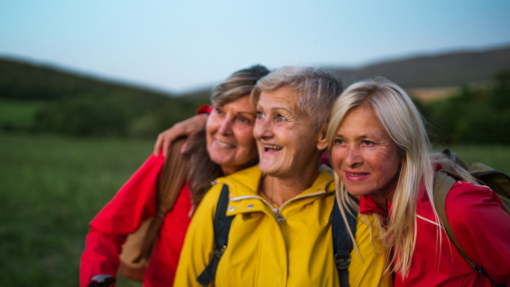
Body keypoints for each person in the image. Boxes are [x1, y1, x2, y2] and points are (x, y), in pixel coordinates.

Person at [174, 67, 392, 287]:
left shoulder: (357, 216)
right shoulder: (222, 198)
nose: (260, 131)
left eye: (280, 117)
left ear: (324, 135)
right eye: (260, 115)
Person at [80, 65, 270, 287]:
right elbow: (106, 232)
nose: (223, 128)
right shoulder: (179, 154)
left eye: (243, 119)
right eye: (219, 111)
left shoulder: (284, 184)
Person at [326, 78, 510, 286]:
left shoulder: (460, 208)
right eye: (340, 141)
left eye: (367, 142)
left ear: (404, 147)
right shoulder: (363, 200)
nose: (350, 159)